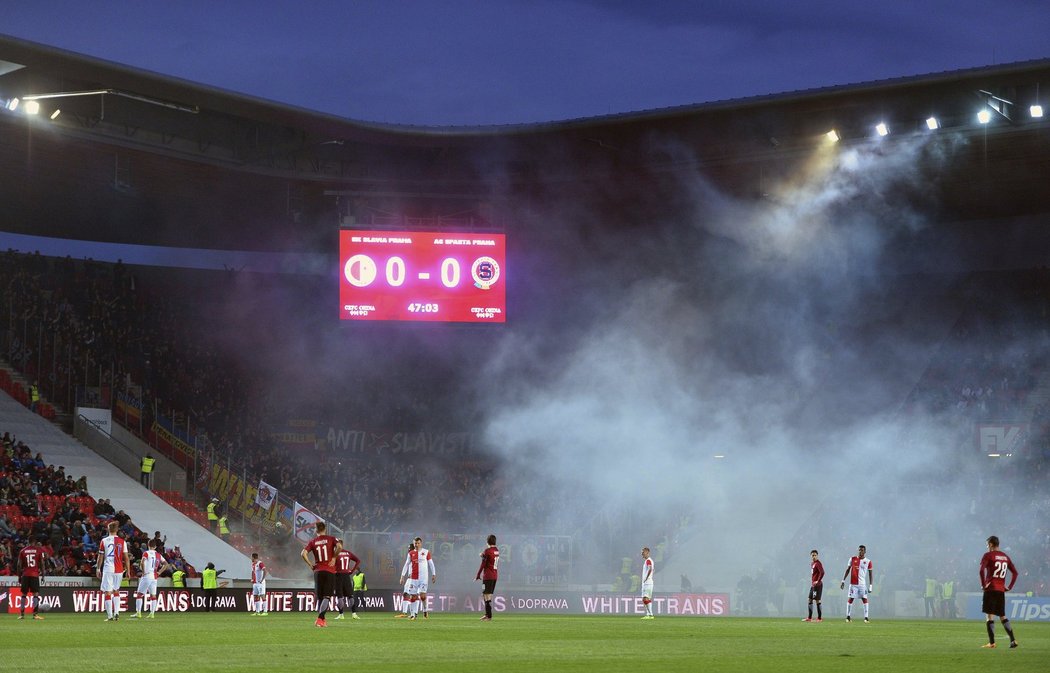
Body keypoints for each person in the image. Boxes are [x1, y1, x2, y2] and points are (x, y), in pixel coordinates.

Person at [978, 535, 1019, 649]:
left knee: (989, 616)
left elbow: (981, 570)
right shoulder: (1005, 557)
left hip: (991, 589)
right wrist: (1009, 586)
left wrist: (983, 584)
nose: (987, 547)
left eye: (987, 544)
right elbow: (1015, 573)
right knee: (1002, 615)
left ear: (991, 544)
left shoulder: (988, 555)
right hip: (1001, 590)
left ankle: (992, 643)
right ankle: (1013, 640)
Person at [301, 520, 342, 627]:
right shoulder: (331, 539)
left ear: (316, 531)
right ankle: (320, 619)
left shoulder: (313, 541)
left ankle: (323, 620)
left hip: (318, 571)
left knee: (320, 597)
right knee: (327, 597)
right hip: (329, 571)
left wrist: (310, 564)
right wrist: (334, 557)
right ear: (325, 529)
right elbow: (340, 547)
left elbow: (303, 553)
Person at [97, 520, 131, 621]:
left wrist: (98, 568)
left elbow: (100, 556)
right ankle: (117, 612)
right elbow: (126, 558)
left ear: (108, 529)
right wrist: (128, 571)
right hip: (119, 569)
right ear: (117, 530)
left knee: (108, 592)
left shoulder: (104, 541)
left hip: (108, 569)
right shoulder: (122, 541)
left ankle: (110, 616)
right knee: (116, 590)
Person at [132, 538, 171, 618]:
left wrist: (143, 571)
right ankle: (152, 613)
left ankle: (138, 613)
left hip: (147, 575)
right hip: (154, 577)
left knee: (139, 594)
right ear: (155, 546)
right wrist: (159, 572)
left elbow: (142, 562)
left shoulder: (146, 553)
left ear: (148, 545)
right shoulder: (158, 555)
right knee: (153, 595)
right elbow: (166, 564)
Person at [400, 537, 437, 620]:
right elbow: (406, 564)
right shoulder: (411, 553)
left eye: (418, 543)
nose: (416, 545)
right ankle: (413, 615)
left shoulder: (426, 552)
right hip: (413, 578)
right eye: (415, 543)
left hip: (423, 578)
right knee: (413, 597)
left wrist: (434, 574)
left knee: (422, 596)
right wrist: (402, 576)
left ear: (421, 543)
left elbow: (431, 564)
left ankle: (425, 610)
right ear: (414, 544)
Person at [839, 544, 873, 623]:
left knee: (865, 599)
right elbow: (847, 570)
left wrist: (871, 585)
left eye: (862, 550)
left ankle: (866, 618)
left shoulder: (868, 561)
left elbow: (870, 574)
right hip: (853, 584)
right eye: (859, 550)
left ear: (865, 551)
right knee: (851, 599)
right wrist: (843, 581)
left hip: (862, 584)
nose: (860, 551)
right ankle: (848, 617)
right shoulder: (852, 559)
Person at [17, 536, 48, 620]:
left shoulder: (23, 551)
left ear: (28, 541)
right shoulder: (39, 551)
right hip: (34, 575)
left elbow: (19, 565)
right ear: (35, 541)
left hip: (25, 574)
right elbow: (42, 564)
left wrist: (19, 576)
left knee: (24, 594)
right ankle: (35, 615)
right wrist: (43, 576)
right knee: (35, 594)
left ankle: (21, 615)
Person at [475, 534, 500, 621]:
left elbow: (483, 564)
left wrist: (478, 575)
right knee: (485, 594)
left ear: (487, 541)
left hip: (487, 577)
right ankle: (487, 614)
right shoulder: (497, 550)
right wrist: (483, 556)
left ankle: (489, 616)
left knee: (487, 595)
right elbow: (491, 559)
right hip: (494, 576)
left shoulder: (487, 551)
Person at [333, 542, 361, 619]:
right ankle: (354, 614)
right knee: (350, 596)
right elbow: (358, 560)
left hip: (338, 576)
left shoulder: (335, 554)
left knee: (340, 597)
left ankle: (341, 614)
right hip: (346, 576)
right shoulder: (348, 553)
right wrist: (352, 570)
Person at [803, 549, 825, 622]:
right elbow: (815, 574)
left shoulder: (818, 563)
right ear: (810, 556)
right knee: (810, 599)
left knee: (817, 600)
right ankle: (809, 617)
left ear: (817, 556)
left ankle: (819, 618)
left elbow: (822, 572)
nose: (814, 556)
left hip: (817, 585)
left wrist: (817, 581)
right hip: (813, 585)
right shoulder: (812, 563)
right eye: (813, 555)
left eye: (815, 555)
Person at [640, 546, 655, 619]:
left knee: (646, 598)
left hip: (648, 582)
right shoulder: (647, 561)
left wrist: (646, 578)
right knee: (644, 599)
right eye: (642, 552)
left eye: (643, 552)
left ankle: (650, 614)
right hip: (646, 583)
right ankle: (648, 614)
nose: (642, 553)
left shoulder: (648, 560)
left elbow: (650, 568)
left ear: (647, 552)